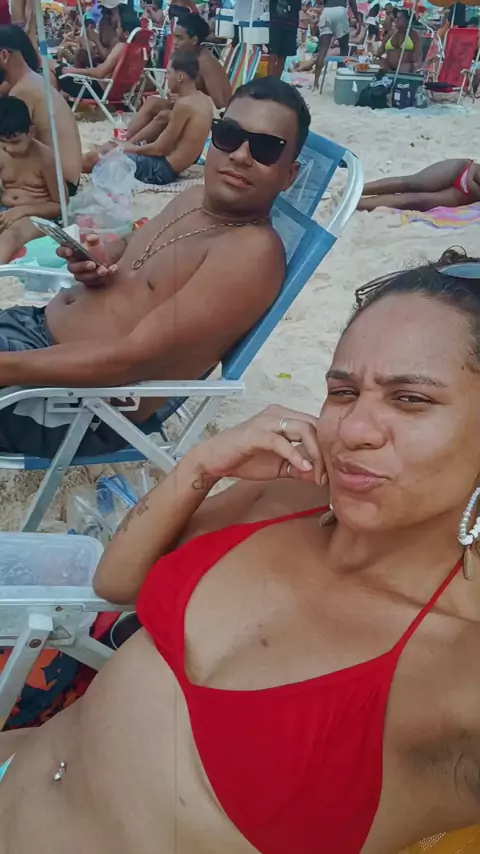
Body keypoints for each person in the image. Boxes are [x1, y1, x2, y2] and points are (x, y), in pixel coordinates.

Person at [4, 245, 480, 854]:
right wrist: (203, 465)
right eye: (343, 392)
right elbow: (116, 583)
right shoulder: (285, 498)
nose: (353, 430)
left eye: (411, 398)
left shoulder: (455, 668)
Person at [0, 77, 308, 459]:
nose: (241, 155)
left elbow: (133, 359)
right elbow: (138, 252)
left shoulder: (250, 253)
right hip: (31, 341)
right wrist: (104, 256)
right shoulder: (196, 198)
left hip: (73, 403)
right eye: (229, 135)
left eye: (266, 148)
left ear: (289, 175)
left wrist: (6, 367)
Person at [83, 51, 213, 186]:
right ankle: (82, 161)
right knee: (111, 149)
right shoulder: (204, 100)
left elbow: (159, 149)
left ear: (180, 77)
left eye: (168, 73)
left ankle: (75, 169)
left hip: (161, 170)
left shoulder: (184, 105)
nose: (166, 77)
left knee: (102, 157)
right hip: (168, 166)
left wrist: (132, 148)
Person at [125, 11, 231, 143]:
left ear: (194, 40)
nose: (174, 42)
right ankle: (128, 140)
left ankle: (127, 142)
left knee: (159, 110)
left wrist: (185, 99)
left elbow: (221, 105)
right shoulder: (189, 58)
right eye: (174, 36)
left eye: (180, 38)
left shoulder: (205, 61)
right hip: (191, 109)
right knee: (152, 102)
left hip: (208, 119)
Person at [0, 25, 82, 195]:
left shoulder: (22, 91)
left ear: (4, 55)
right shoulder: (31, 81)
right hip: (67, 177)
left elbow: (8, 140)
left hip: (59, 183)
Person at [0, 96, 63, 263]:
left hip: (36, 216)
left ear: (31, 132)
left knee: (11, 236)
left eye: (15, 142)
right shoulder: (2, 152)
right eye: (3, 142)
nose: (9, 148)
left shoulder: (45, 158)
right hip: (6, 210)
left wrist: (21, 211)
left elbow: (60, 206)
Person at [54, 13, 139, 101]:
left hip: (97, 90)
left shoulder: (121, 47)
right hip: (113, 92)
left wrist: (75, 71)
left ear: (126, 34)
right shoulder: (136, 50)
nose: (116, 30)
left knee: (52, 68)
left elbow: (99, 73)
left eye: (119, 27)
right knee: (55, 68)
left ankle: (53, 105)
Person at [358, 158, 480, 212]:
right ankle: (356, 189)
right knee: (412, 183)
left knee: (418, 200)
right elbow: (475, 176)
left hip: (465, 194)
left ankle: (356, 203)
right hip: (463, 169)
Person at [313, 0, 361, 89]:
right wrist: (359, 21)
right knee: (344, 50)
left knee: (323, 49)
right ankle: (340, 81)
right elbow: (352, 4)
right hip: (340, 10)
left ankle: (315, 83)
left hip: (326, 11)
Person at [377, 8, 421, 73]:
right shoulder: (391, 32)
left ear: (407, 21)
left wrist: (414, 65)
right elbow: (380, 51)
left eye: (399, 18)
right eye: (396, 18)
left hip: (405, 65)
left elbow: (417, 56)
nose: (396, 20)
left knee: (405, 68)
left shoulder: (414, 35)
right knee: (382, 68)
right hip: (388, 65)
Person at [269, 0, 301, 78]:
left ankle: (276, 80)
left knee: (282, 55)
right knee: (274, 54)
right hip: (278, 23)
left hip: (290, 23)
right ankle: (270, 81)